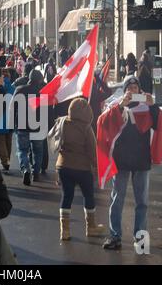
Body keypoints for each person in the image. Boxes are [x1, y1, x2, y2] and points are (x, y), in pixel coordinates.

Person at [97, 76, 162, 250]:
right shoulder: (116, 106)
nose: (132, 90)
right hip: (121, 161)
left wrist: (153, 106)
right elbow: (103, 123)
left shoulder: (147, 106)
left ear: (140, 90)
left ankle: (141, 239)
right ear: (124, 90)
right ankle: (115, 236)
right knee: (117, 200)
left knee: (142, 202)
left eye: (135, 87)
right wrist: (121, 105)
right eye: (129, 87)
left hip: (141, 161)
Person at [50, 98, 105, 241]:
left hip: (63, 166)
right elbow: (93, 152)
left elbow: (55, 142)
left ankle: (65, 231)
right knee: (88, 196)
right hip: (82, 168)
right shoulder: (86, 128)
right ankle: (91, 227)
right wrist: (98, 169)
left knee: (66, 196)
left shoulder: (61, 122)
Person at [12, 70, 47, 185]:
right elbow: (47, 110)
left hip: (22, 125)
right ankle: (36, 172)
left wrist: (11, 123)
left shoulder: (19, 89)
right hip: (38, 126)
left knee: (22, 150)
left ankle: (25, 169)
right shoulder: (42, 91)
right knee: (38, 151)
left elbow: (12, 108)